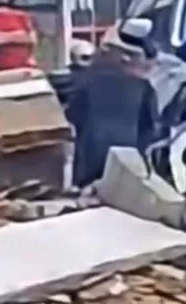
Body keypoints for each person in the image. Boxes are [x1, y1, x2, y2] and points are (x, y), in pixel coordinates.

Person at [67, 20, 158, 188]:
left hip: (89, 165)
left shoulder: (85, 80)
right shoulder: (144, 88)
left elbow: (73, 116)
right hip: (128, 166)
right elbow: (150, 129)